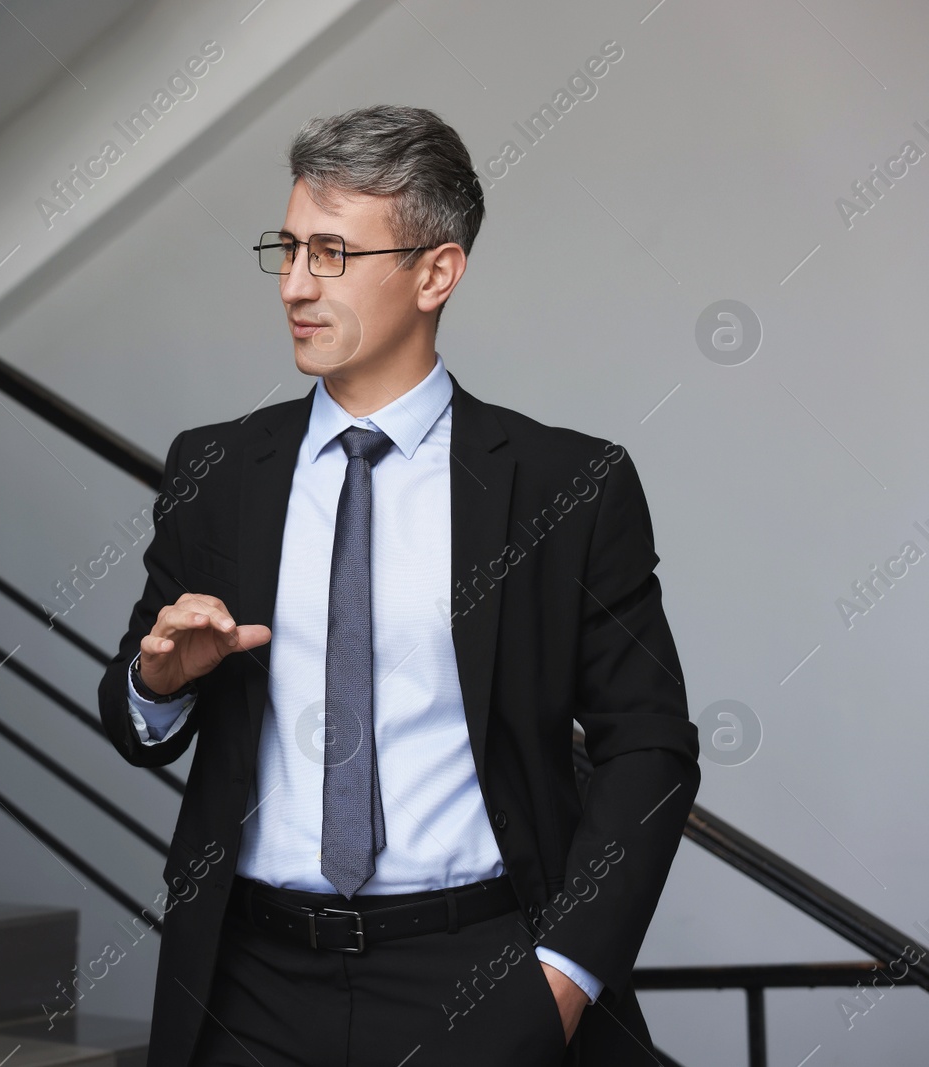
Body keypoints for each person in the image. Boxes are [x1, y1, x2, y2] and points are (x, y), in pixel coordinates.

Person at [97, 104, 700, 1067]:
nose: (295, 284)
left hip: (478, 976)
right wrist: (158, 681)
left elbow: (651, 746)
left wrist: (563, 978)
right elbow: (131, 718)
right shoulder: (215, 470)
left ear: (435, 272)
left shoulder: (565, 487)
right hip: (246, 986)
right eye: (286, 249)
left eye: (331, 253)